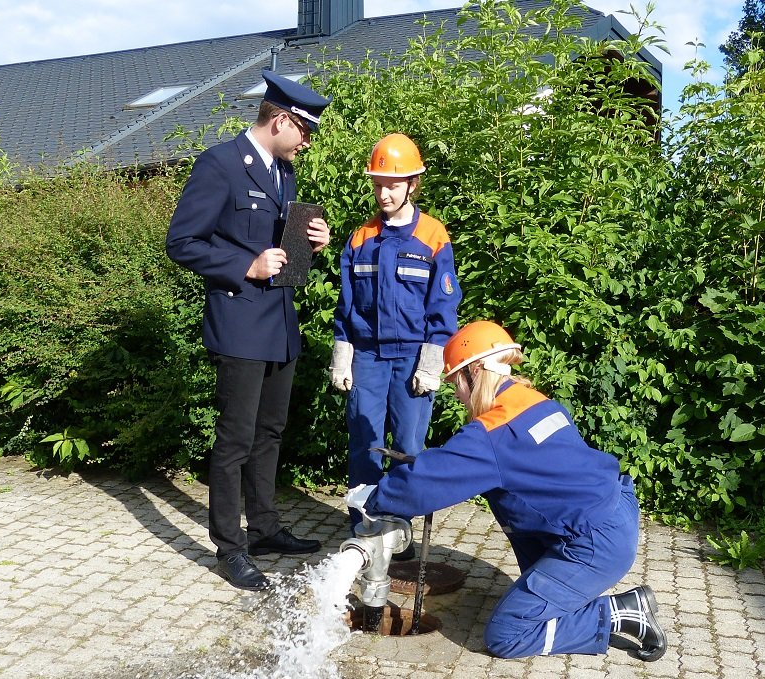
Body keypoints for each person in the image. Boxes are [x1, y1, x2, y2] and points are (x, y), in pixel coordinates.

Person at [346, 320, 668, 661]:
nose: (456, 394)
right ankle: (566, 598)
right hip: (610, 512)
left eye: (456, 382)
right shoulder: (534, 401)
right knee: (528, 572)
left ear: (475, 371)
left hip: (594, 544)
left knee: (507, 634)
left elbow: (427, 483)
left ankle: (622, 612)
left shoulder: (495, 432)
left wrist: (375, 498)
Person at [166, 69, 332, 591]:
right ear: (280, 120)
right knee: (235, 440)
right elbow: (182, 242)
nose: (307, 142)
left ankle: (264, 530)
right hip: (239, 323)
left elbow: (282, 252)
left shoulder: (284, 173)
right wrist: (246, 266)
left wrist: (311, 246)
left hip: (279, 324)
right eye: (305, 131)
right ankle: (230, 548)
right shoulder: (219, 164)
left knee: (269, 434)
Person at [329, 133, 462, 552]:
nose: (384, 193)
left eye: (393, 184)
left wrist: (431, 363)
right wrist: (342, 356)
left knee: (407, 448)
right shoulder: (360, 238)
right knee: (364, 445)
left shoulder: (434, 235)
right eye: (378, 184)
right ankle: (365, 530)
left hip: (411, 360)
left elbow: (443, 306)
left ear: (412, 184)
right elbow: (346, 305)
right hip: (367, 357)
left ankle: (399, 533)